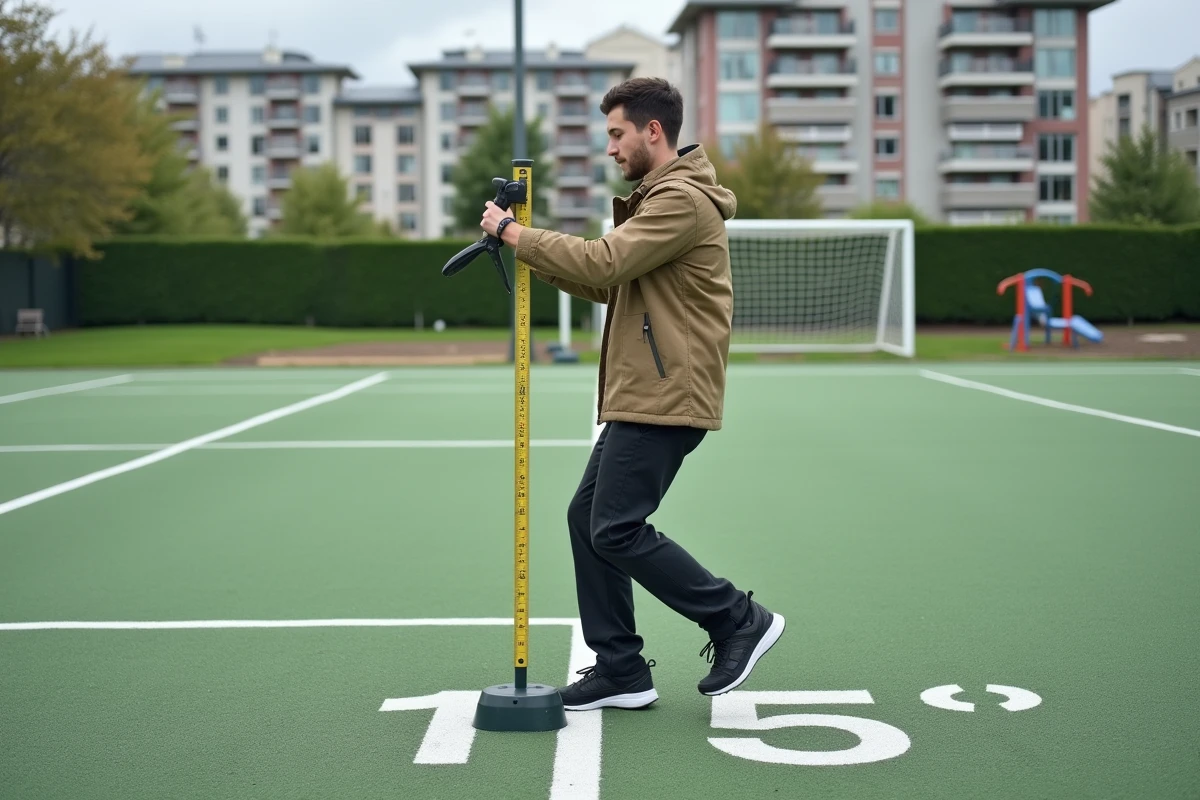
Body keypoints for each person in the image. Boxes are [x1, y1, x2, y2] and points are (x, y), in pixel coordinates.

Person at [480, 77, 784, 711]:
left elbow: (602, 263)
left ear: (654, 131)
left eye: (617, 134)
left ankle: (737, 619)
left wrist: (515, 235)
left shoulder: (682, 202)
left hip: (666, 391)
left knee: (614, 529)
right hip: (646, 390)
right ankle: (620, 668)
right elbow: (605, 283)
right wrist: (533, 252)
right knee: (586, 521)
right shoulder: (657, 201)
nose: (611, 148)